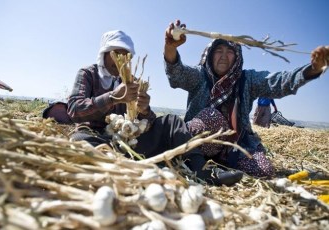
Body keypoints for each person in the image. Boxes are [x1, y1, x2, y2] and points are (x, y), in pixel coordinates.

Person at [67, 30, 243, 186]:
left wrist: (144, 110)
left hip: (130, 142)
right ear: (104, 54)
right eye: (116, 54)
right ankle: (122, 169)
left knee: (172, 122)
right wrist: (113, 97)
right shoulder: (88, 74)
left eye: (125, 55)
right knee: (79, 140)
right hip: (100, 141)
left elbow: (148, 122)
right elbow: (74, 110)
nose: (120, 61)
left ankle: (202, 171)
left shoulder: (131, 81)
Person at [164, 20, 329, 178]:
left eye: (229, 52)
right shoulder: (200, 75)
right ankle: (192, 159)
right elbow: (177, 75)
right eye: (219, 51)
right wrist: (170, 47)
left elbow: (278, 82)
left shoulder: (247, 80)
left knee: (264, 170)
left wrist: (313, 69)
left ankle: (219, 164)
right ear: (210, 55)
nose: (223, 56)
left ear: (237, 58)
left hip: (232, 146)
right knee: (212, 117)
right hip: (196, 142)